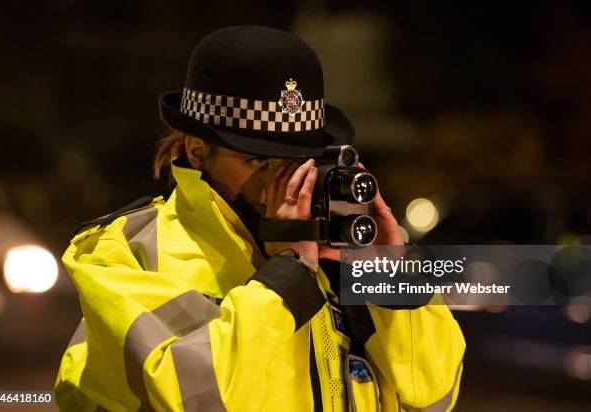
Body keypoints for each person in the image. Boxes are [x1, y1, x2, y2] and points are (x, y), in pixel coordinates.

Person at [55, 26, 465, 411]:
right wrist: (288, 276)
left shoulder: (334, 246)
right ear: (198, 151)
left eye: (295, 161)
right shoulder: (121, 251)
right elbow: (199, 397)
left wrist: (393, 281)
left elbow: (434, 396)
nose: (282, 181)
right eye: (257, 159)